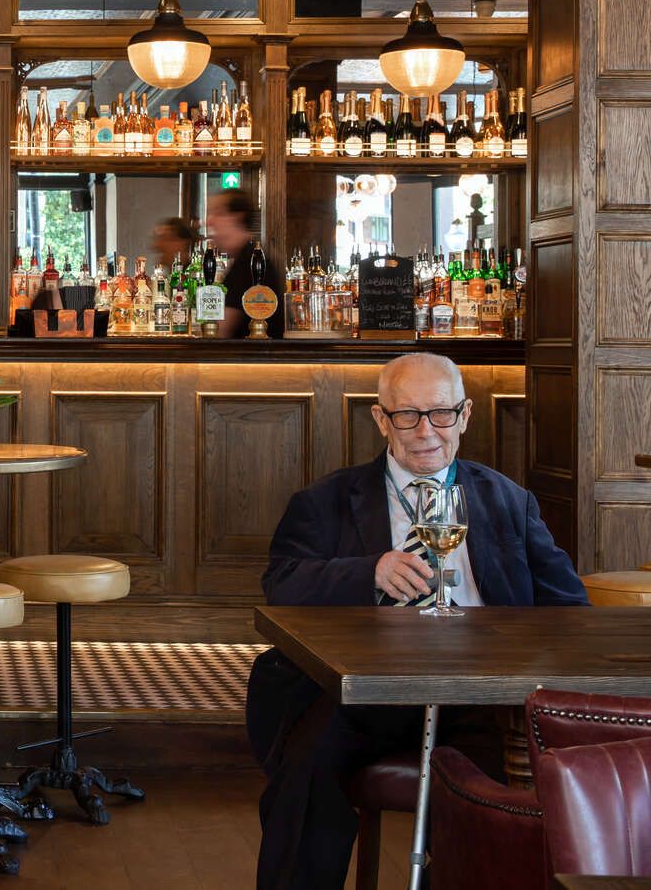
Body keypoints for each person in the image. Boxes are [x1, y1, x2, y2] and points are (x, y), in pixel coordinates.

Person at [247, 352, 586, 890]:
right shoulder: (324, 502)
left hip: (478, 699)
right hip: (363, 693)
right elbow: (281, 586)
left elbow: (570, 607)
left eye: (441, 413)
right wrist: (369, 572)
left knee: (492, 801)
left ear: (466, 415)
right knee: (308, 771)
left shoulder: (508, 501)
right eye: (407, 415)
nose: (426, 431)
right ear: (382, 419)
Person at [205, 188, 260, 338]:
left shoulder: (247, 265)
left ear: (238, 217)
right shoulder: (246, 258)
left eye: (218, 212)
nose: (209, 221)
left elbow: (221, 332)